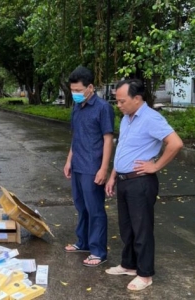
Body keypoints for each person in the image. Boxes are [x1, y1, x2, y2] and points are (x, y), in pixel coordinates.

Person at [105, 79, 183, 291]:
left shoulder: (151, 118)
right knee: (126, 228)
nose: (118, 105)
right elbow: (122, 149)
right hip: (123, 180)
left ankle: (145, 274)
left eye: (122, 101)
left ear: (137, 99)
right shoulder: (126, 119)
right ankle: (129, 265)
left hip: (140, 182)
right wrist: (113, 175)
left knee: (142, 229)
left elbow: (176, 143)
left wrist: (156, 165)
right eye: (117, 101)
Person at [63, 66, 115, 267]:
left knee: (95, 210)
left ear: (90, 87)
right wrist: (69, 160)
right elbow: (76, 136)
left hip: (93, 166)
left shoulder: (103, 108)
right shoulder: (77, 107)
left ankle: (98, 251)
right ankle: (82, 242)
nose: (75, 94)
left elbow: (108, 139)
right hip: (77, 165)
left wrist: (104, 169)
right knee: (81, 207)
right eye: (72, 90)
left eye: (78, 90)